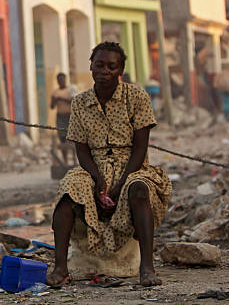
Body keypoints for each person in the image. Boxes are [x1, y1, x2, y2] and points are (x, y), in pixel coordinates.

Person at [46, 42, 171, 288]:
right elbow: (81, 149)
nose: (104, 71)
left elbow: (140, 148)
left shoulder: (136, 97)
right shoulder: (80, 102)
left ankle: (147, 267)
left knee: (139, 189)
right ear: (91, 67)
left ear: (120, 70)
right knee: (68, 191)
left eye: (111, 66)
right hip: (93, 165)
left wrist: (121, 181)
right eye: (99, 65)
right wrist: (98, 179)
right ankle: (60, 267)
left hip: (132, 165)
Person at [50, 72, 77, 165]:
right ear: (57, 81)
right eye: (59, 80)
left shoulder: (70, 90)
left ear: (65, 80)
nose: (61, 81)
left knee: (72, 139)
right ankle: (65, 161)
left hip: (70, 116)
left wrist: (61, 99)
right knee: (62, 139)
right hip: (60, 117)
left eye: (62, 79)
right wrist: (54, 100)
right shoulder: (55, 92)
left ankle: (74, 160)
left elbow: (73, 101)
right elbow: (52, 106)